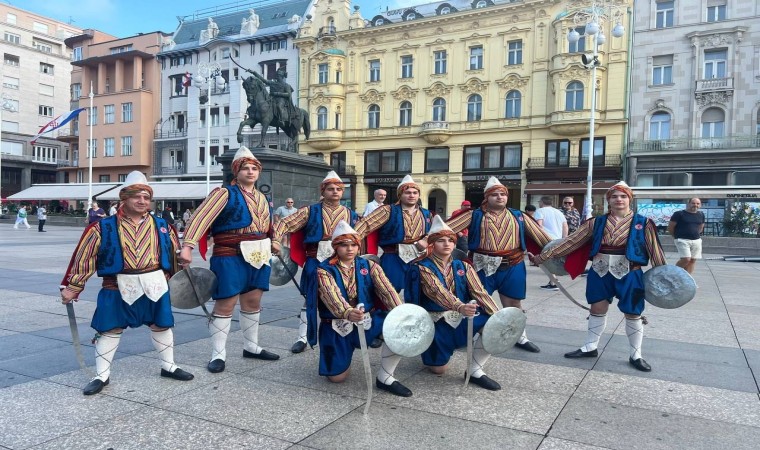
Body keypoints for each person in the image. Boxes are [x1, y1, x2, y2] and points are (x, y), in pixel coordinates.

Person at [60, 171, 194, 396]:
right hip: (116, 284)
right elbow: (84, 257)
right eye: (136, 197)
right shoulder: (102, 227)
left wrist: (180, 267)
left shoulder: (162, 225)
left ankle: (168, 366)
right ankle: (102, 375)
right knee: (110, 327)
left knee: (161, 324)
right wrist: (74, 286)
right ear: (124, 198)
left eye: (146, 197)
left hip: (155, 283)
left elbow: (173, 255)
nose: (142, 201)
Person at [531, 181, 666, 372]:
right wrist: (543, 257)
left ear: (630, 199)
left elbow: (655, 251)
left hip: (630, 272)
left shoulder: (643, 223)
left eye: (623, 196)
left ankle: (636, 354)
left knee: (633, 312)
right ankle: (590, 346)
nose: (618, 199)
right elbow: (571, 242)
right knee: (597, 308)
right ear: (608, 200)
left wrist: (664, 277)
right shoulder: (596, 222)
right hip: (600, 270)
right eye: (614, 196)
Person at [180, 147, 281, 374]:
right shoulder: (223, 193)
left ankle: (251, 346)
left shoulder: (263, 197)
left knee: (253, 300)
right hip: (229, 254)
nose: (251, 172)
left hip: (259, 254)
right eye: (245, 168)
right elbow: (200, 218)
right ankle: (218, 354)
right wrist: (187, 246)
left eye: (254, 168)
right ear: (236, 171)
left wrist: (274, 240)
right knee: (226, 302)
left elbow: (268, 225)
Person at [446, 177, 551, 353]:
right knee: (476, 302)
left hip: (513, 264)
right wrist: (427, 241)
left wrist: (548, 254)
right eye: (495, 194)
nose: (500, 197)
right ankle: (468, 334)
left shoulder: (519, 216)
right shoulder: (474, 215)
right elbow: (444, 229)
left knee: (514, 303)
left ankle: (520, 336)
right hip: (481, 265)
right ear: (487, 197)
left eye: (503, 194)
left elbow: (544, 239)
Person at [406, 216, 503, 390]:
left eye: (450, 240)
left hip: (462, 315)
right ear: (432, 244)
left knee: (493, 325)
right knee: (438, 369)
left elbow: (479, 291)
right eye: (441, 241)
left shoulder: (463, 266)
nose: (447, 244)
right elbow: (436, 291)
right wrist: (460, 306)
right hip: (434, 321)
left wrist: (499, 315)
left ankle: (475, 370)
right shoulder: (421, 267)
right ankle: (431, 349)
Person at [316, 221, 412, 396]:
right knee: (337, 378)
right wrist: (347, 311)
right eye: (344, 245)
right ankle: (343, 359)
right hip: (337, 325)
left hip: (368, 319)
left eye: (353, 244)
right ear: (336, 247)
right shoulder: (324, 270)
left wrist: (400, 311)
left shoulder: (370, 265)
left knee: (398, 330)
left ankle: (386, 377)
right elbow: (331, 295)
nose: (350, 249)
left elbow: (387, 290)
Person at [272, 170, 360, 354]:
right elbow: (284, 224)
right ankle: (302, 337)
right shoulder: (309, 211)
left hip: (342, 263)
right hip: (315, 260)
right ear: (323, 191)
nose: (335, 192)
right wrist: (276, 240)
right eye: (330, 189)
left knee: (343, 297)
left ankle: (344, 336)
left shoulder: (351, 214)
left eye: (338, 189)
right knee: (309, 300)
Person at [356, 174, 432, 293]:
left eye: (415, 192)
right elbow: (365, 225)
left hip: (419, 257)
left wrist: (426, 240)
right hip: (393, 257)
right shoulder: (387, 210)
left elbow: (434, 231)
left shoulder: (426, 213)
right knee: (388, 291)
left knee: (418, 291)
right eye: (407, 192)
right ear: (400, 195)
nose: (412, 195)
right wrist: (348, 240)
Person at [536, 196, 568, 291]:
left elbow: (539, 226)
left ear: (542, 202)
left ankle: (553, 282)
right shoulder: (559, 212)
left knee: (546, 262)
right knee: (552, 262)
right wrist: (563, 239)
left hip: (546, 239)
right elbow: (565, 226)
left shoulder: (540, 211)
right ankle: (553, 282)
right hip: (557, 240)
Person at [668, 198, 705, 275]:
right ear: (689, 203)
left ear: (700, 205)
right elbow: (671, 227)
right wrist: (676, 236)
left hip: (696, 240)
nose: (695, 205)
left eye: (698, 203)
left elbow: (701, 227)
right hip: (682, 240)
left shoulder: (701, 214)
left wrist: (695, 234)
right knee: (686, 259)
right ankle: (673, 274)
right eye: (693, 203)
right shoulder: (679, 214)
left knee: (692, 260)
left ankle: (687, 280)